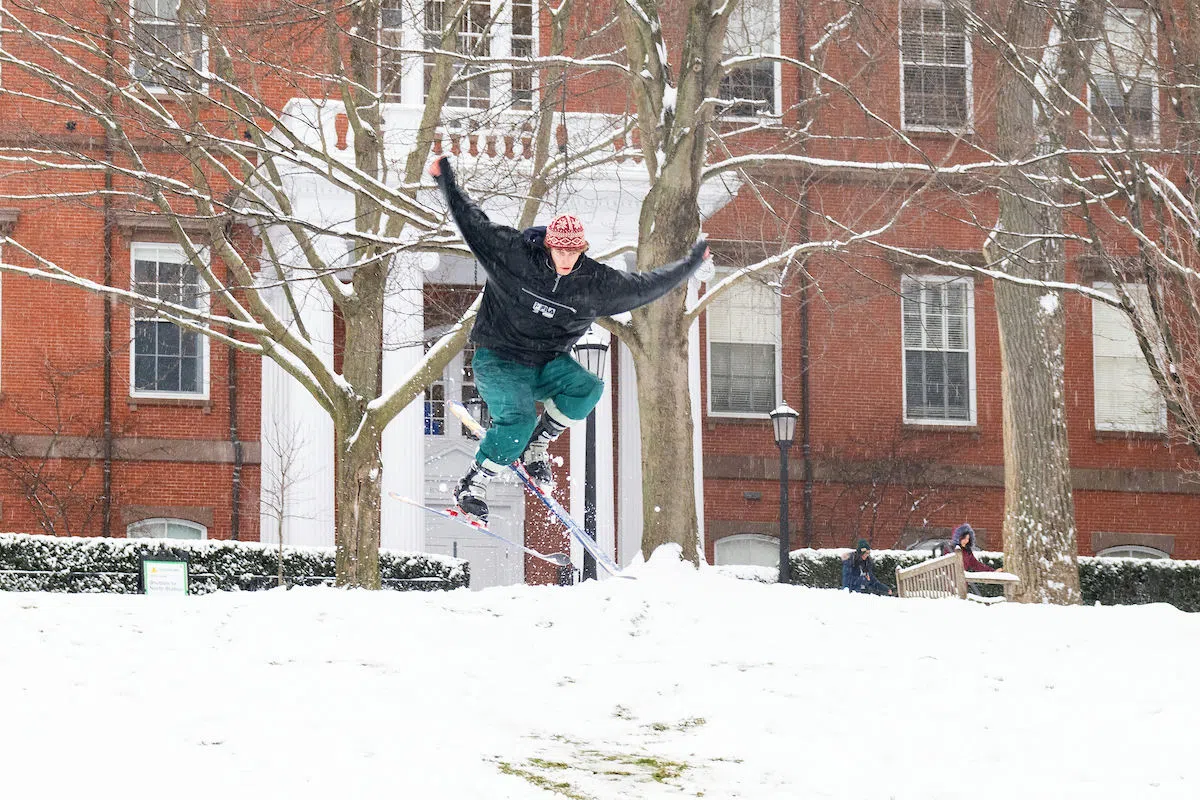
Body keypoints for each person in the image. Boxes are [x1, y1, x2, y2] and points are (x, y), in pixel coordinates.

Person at [429, 155, 711, 524]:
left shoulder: (596, 284)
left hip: (547, 364)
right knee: (516, 422)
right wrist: (445, 179)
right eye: (559, 250)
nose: (565, 258)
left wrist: (688, 265)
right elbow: (473, 223)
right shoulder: (514, 256)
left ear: (582, 249)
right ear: (548, 246)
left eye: (572, 251)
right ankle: (474, 483)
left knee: (588, 388)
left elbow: (647, 287)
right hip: (499, 359)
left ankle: (538, 444)